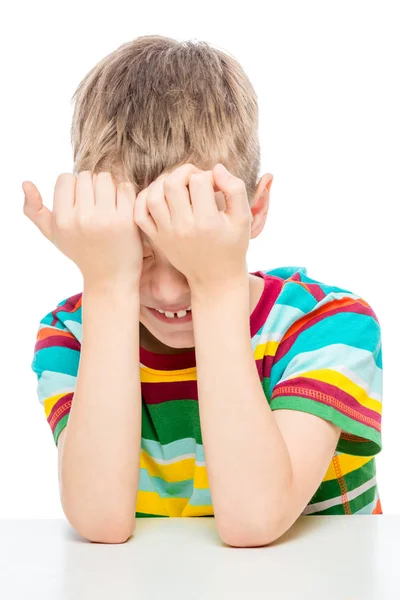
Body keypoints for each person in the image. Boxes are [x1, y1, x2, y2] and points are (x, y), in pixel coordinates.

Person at [23, 35, 383, 547]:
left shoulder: (330, 326)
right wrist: (107, 284)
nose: (169, 291)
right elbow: (99, 522)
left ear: (254, 211)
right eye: (139, 251)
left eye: (192, 249)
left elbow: (254, 520)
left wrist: (217, 288)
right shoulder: (74, 335)